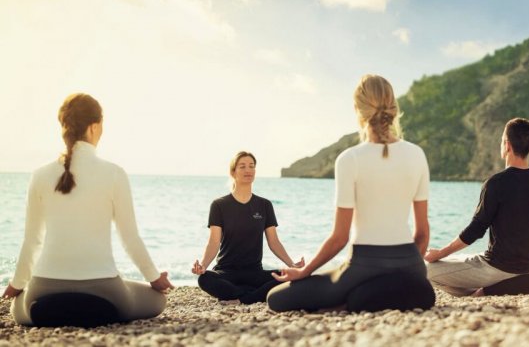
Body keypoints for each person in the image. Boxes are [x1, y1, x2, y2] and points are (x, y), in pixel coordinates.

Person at [2, 93, 173, 325]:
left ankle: (51, 311)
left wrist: (17, 284)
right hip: (105, 290)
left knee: (17, 308)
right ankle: (98, 311)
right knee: (156, 300)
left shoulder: (39, 175)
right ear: (94, 127)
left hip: (44, 290)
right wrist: (154, 278)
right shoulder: (114, 173)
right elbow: (129, 238)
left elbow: (32, 240)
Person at [266, 74, 431, 312]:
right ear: (394, 107)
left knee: (276, 298)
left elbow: (339, 238)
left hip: (363, 267)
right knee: (385, 288)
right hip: (411, 267)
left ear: (358, 110)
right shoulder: (417, 155)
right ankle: (375, 295)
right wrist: (408, 267)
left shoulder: (349, 159)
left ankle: (353, 298)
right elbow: (423, 234)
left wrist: (304, 271)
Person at [424, 118, 529, 296]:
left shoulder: (496, 183)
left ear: (506, 145)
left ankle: (486, 292)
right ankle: (512, 285)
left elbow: (476, 230)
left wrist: (440, 253)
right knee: (458, 261)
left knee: (426, 270)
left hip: (496, 268)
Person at [192, 151, 303, 304]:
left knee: (287, 276)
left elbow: (274, 242)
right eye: (242, 166)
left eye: (251, 166)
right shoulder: (219, 205)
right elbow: (213, 242)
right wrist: (203, 265)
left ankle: (240, 297)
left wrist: (292, 265)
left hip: (254, 273)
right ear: (233, 172)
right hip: (226, 272)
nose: (248, 170)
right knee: (205, 279)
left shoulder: (264, 205)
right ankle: (252, 296)